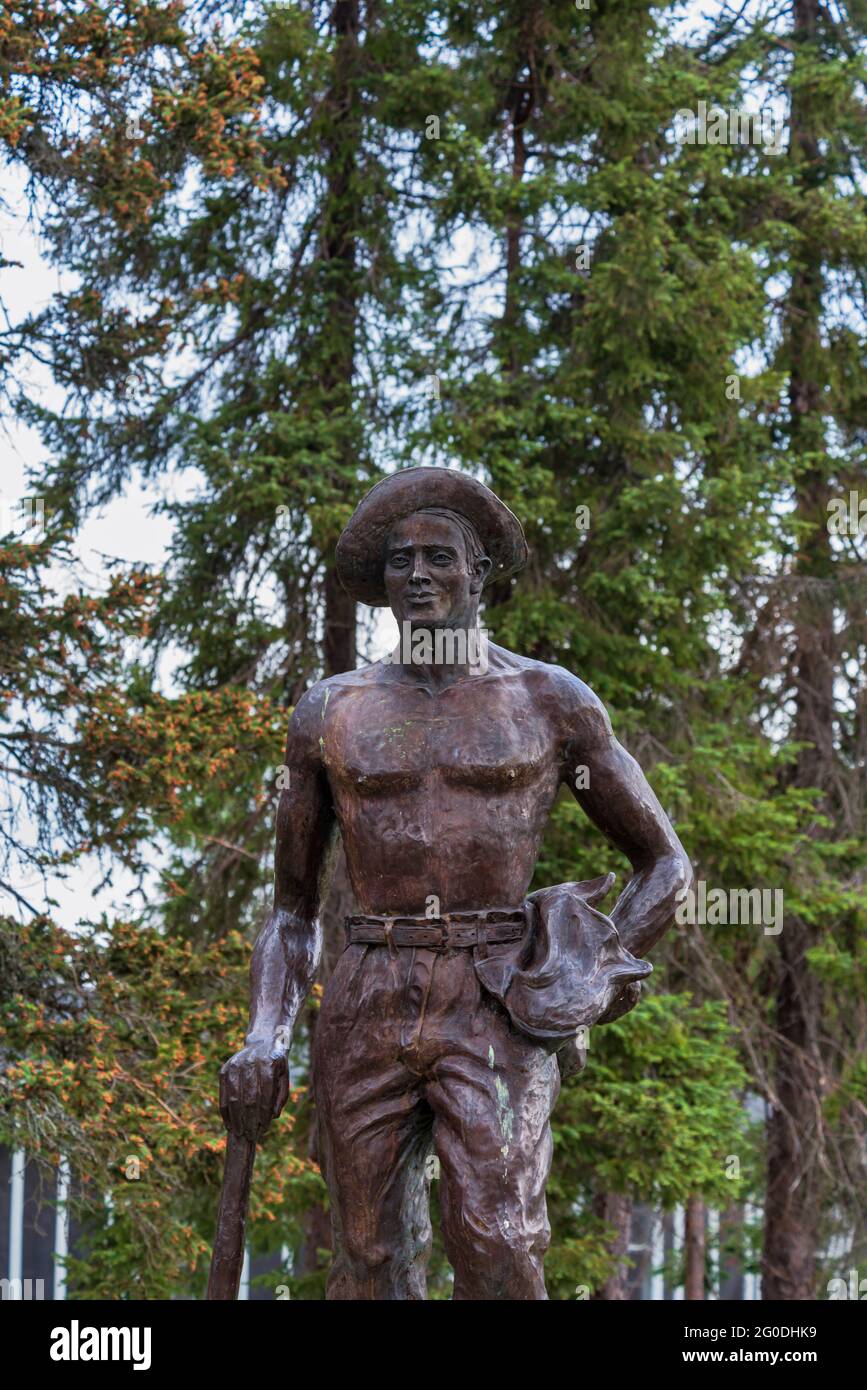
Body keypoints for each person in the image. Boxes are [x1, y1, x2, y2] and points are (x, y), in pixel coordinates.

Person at [218, 467, 691, 1300]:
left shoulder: (548, 701)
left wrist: (589, 971)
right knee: (364, 1254)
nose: (419, 576)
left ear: (479, 574)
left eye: (440, 557)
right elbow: (292, 910)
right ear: (381, 585)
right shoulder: (331, 711)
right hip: (368, 991)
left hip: (493, 990)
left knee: (499, 1240)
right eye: (400, 562)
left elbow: (664, 862)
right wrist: (265, 1033)